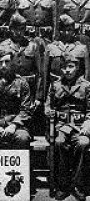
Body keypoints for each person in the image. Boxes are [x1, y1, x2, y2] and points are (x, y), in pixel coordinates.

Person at [45, 54, 90, 201]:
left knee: (83, 143)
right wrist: (49, 111)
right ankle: (63, 185)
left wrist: (88, 124)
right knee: (58, 142)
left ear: (77, 68)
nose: (67, 71)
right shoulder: (55, 85)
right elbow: (48, 105)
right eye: (64, 67)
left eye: (71, 67)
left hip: (79, 126)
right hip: (61, 126)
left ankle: (77, 184)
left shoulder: (86, 86)